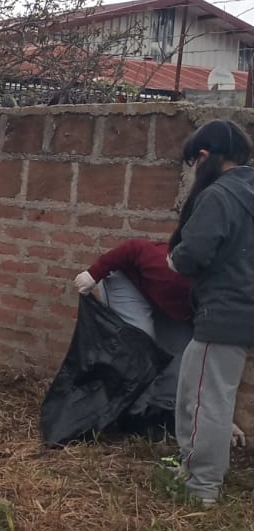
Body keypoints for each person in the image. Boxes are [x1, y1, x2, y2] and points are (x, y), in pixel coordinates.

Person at [168, 120, 254, 505]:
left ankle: (201, 489)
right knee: (196, 390)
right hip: (240, 313)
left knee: (206, 401)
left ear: (205, 157)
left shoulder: (218, 195)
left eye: (193, 163)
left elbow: (194, 253)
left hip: (224, 314)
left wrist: (175, 260)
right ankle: (194, 468)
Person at [72, 238, 193, 425]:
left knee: (180, 348)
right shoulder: (165, 266)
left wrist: (217, 419)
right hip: (128, 280)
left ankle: (162, 410)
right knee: (140, 340)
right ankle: (130, 413)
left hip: (169, 299)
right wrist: (93, 274)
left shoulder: (218, 300)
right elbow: (133, 248)